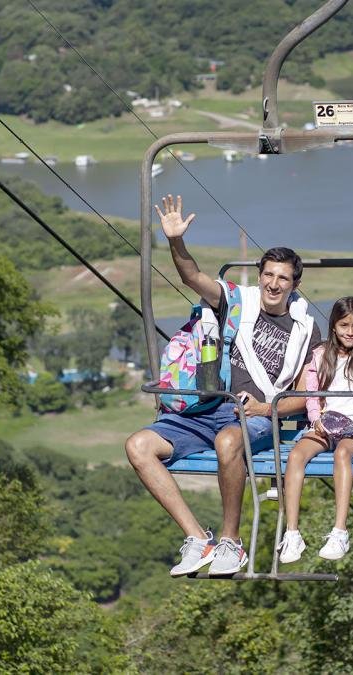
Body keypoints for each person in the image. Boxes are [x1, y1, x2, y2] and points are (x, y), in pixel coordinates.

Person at [125, 194, 323, 577]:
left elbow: (305, 395)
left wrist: (266, 409)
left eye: (283, 278)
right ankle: (199, 539)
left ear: (295, 283)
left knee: (228, 441)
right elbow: (191, 277)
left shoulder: (306, 331)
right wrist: (176, 241)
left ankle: (232, 541)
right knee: (138, 446)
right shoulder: (235, 301)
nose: (273, 284)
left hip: (255, 419)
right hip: (204, 409)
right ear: (260, 275)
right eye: (268, 274)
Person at [278, 239, 353, 562]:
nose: (350, 333)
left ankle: (339, 531)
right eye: (344, 326)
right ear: (333, 325)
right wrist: (316, 417)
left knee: (343, 454)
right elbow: (312, 392)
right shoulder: (321, 355)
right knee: (296, 456)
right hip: (326, 424)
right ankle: (292, 533)